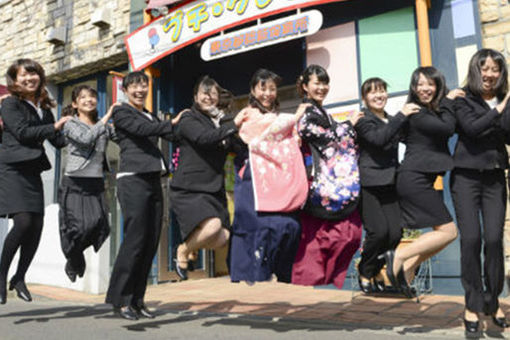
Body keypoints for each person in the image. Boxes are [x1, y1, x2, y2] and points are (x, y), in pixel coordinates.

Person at [379, 66, 463, 298]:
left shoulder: (428, 111)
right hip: (413, 178)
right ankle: (399, 256)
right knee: (448, 232)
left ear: (437, 85)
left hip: (419, 178)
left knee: (440, 232)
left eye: (430, 84)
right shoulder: (416, 112)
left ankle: (404, 275)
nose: (424, 88)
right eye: (420, 84)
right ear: (413, 88)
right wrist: (447, 99)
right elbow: (448, 128)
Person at [105, 71, 181, 320]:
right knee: (135, 240)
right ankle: (122, 300)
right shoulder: (122, 112)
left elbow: (172, 133)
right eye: (135, 86)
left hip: (153, 179)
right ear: (125, 90)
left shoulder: (149, 115)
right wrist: (170, 123)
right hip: (132, 179)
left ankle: (138, 300)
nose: (140, 90)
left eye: (144, 85)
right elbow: (143, 129)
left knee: (150, 242)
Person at [228, 69, 309, 284]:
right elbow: (258, 135)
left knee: (288, 226)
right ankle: (252, 272)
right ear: (253, 90)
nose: (267, 93)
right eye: (262, 88)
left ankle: (278, 270)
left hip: (279, 179)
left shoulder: (281, 117)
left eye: (272, 88)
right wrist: (294, 119)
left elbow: (290, 139)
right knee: (256, 225)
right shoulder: (247, 114)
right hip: (254, 177)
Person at [0, 59, 70, 304]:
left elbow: (57, 141)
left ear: (40, 76)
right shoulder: (10, 104)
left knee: (37, 226)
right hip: (12, 168)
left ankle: (19, 277)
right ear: (15, 80)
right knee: (23, 222)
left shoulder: (42, 105)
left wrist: (80, 127)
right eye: (23, 75)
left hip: (32, 170)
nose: (29, 79)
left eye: (33, 74)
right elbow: (22, 133)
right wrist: (53, 126)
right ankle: (1, 276)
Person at [452, 48, 510, 334]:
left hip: (495, 177)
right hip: (465, 177)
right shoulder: (464, 97)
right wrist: (497, 112)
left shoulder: (506, 99)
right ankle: (472, 304)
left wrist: (504, 109)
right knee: (471, 239)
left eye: (495, 69)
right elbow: (471, 129)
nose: (489, 74)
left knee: (494, 240)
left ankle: (493, 298)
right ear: (476, 69)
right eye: (484, 68)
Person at [291, 65, 364, 289]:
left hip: (331, 186)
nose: (322, 87)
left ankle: (314, 285)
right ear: (305, 86)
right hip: (320, 187)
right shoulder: (307, 113)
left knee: (345, 236)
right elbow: (322, 137)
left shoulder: (322, 113)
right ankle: (303, 289)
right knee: (318, 243)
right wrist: (348, 126)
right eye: (316, 83)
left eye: (325, 83)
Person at [170, 76, 246, 281]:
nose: (209, 97)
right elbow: (203, 139)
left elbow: (235, 148)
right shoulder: (189, 119)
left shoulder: (220, 121)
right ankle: (183, 250)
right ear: (196, 96)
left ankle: (192, 244)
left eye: (213, 93)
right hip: (190, 187)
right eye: (204, 93)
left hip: (213, 188)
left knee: (223, 237)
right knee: (212, 226)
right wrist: (232, 125)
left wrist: (238, 132)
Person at [354, 78, 419, 293]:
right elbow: (379, 139)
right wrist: (402, 116)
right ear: (365, 98)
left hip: (391, 183)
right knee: (378, 232)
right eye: (372, 92)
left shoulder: (391, 120)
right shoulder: (363, 120)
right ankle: (365, 269)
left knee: (395, 233)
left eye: (382, 91)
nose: (378, 95)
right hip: (370, 184)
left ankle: (375, 270)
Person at [58, 85, 118, 282]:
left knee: (101, 226)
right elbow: (85, 139)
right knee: (78, 227)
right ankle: (74, 259)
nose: (89, 100)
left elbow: (122, 138)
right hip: (74, 181)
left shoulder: (103, 127)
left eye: (92, 97)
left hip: (96, 182)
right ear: (75, 104)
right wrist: (106, 118)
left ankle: (75, 256)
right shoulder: (70, 124)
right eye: (83, 98)